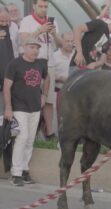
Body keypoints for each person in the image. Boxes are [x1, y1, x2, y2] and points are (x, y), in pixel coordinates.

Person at [4, 37, 50, 186]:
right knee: (22, 138)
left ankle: (24, 170)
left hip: (35, 107)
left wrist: (44, 95)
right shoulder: (15, 64)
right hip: (19, 107)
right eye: (32, 47)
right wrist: (8, 108)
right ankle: (16, 173)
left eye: (37, 47)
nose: (35, 50)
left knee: (30, 140)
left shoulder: (41, 64)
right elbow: (6, 87)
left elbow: (47, 78)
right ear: (24, 47)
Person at [19, 0, 63, 141]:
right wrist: (40, 30)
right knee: (30, 96)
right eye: (41, 6)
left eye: (46, 7)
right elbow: (24, 41)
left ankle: (49, 132)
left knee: (49, 99)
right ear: (34, 7)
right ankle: (27, 131)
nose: (44, 9)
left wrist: (54, 34)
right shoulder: (27, 20)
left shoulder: (53, 21)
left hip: (48, 63)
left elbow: (61, 45)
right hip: (31, 63)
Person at [54, 32, 74, 103]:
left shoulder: (76, 56)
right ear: (61, 41)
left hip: (73, 93)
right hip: (57, 92)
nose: (70, 43)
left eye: (72, 41)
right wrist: (60, 78)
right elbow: (48, 75)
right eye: (67, 41)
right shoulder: (54, 56)